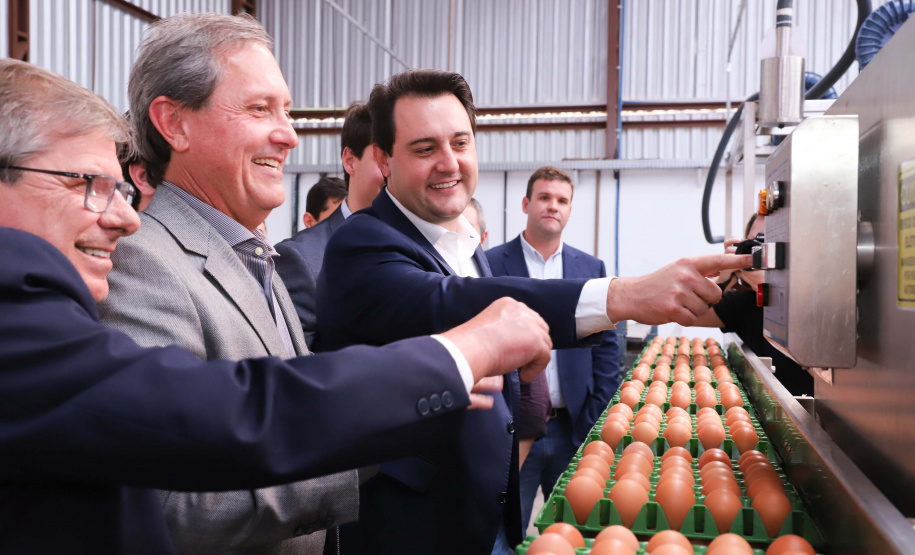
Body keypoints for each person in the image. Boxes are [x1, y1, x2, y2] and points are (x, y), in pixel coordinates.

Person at [0, 58, 553, 555]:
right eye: (88, 184)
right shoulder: (89, 282)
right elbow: (223, 420)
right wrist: (453, 356)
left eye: (120, 190)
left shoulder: (252, 252)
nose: (289, 134)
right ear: (175, 123)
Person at [317, 69, 751, 554]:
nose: (449, 163)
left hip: (481, 515)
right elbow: (450, 302)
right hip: (406, 528)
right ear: (383, 158)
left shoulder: (462, 241)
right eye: (424, 149)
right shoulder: (364, 242)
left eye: (460, 143)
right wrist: (624, 295)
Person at [486, 165, 622, 532]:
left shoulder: (590, 268)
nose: (553, 206)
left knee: (570, 531)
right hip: (513, 429)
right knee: (504, 529)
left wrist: (590, 419)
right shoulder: (492, 264)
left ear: (570, 210)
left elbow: (608, 349)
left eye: (562, 200)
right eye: (544, 198)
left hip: (572, 427)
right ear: (526, 203)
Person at [275, 102, 386, 348]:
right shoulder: (302, 259)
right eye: (383, 157)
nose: (395, 170)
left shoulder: (427, 246)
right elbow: (297, 369)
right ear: (350, 160)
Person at [694, 215, 813, 395]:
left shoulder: (819, 305)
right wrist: (724, 280)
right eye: (755, 244)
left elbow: (829, 377)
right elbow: (688, 313)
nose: (761, 254)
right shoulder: (745, 301)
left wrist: (772, 289)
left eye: (770, 244)